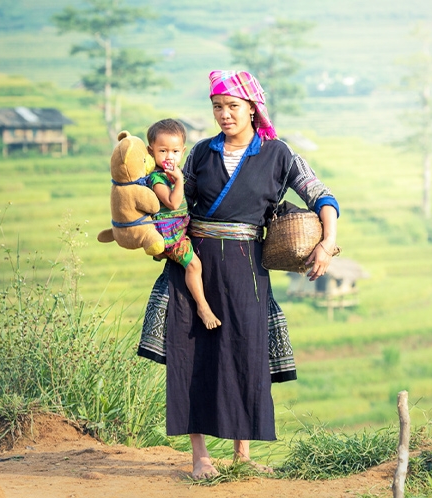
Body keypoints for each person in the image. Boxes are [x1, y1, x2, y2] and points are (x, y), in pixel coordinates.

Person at [155, 70, 340, 479]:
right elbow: (177, 203)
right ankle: (200, 456)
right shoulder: (201, 153)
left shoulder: (279, 155)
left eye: (232, 106)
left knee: (246, 351)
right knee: (192, 354)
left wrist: (327, 243)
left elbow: (322, 196)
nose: (224, 114)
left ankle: (242, 452)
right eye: (217, 107)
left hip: (247, 266)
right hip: (196, 262)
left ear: (253, 109)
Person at [145, 118, 221, 329]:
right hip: (170, 235)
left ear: (183, 151)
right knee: (194, 265)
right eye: (163, 151)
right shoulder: (157, 179)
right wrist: (179, 180)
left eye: (175, 151)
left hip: (179, 230)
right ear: (151, 152)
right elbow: (173, 201)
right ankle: (202, 306)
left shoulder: (170, 175)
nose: (169, 156)